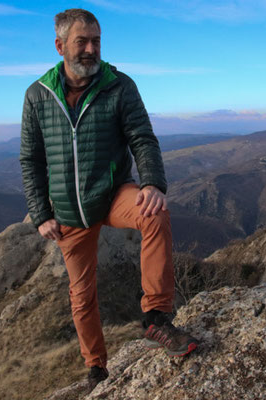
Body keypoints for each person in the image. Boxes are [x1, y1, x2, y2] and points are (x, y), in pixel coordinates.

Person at [19, 8, 199, 387]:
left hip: (114, 192)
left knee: (155, 214)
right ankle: (96, 368)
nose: (90, 49)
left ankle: (156, 317)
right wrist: (40, 213)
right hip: (68, 211)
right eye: (81, 42)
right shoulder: (38, 96)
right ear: (60, 46)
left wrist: (152, 183)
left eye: (96, 41)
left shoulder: (119, 85)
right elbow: (31, 160)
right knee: (82, 297)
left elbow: (142, 138)